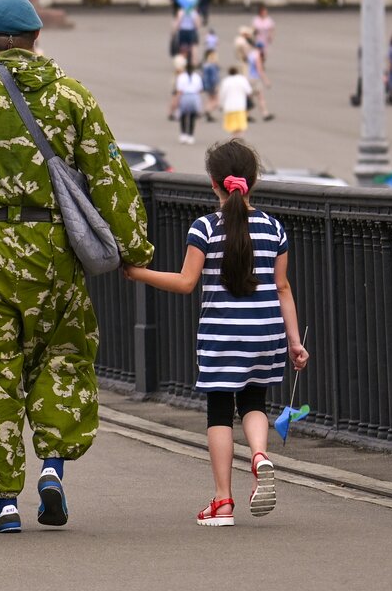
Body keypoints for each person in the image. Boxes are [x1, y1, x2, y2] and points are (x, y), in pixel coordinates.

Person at [0, 0, 154, 533]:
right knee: (63, 354)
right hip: (52, 251)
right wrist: (133, 250)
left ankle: (3, 502)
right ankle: (53, 468)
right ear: (38, 38)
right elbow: (110, 176)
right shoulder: (72, 96)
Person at [123, 139, 308, 527]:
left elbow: (186, 281)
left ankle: (223, 502)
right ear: (253, 182)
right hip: (266, 333)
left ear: (213, 184)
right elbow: (283, 288)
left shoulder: (204, 227)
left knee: (220, 410)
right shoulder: (274, 228)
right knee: (255, 400)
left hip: (222, 335)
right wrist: (294, 341)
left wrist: (137, 272)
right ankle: (259, 455)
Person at [173, 60, 205, 145]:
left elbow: (179, 91)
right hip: (194, 96)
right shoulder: (197, 77)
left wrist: (176, 102)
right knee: (192, 116)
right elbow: (200, 90)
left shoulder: (181, 77)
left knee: (183, 116)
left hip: (185, 96)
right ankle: (190, 135)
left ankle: (183, 134)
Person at [218, 66, 252, 135]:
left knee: (232, 127)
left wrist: (221, 105)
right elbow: (249, 91)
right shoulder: (242, 79)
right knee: (240, 126)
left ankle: (234, 140)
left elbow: (221, 95)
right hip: (240, 106)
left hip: (229, 107)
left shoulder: (226, 81)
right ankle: (239, 139)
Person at [246, 42, 273, 121]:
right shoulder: (257, 56)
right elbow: (260, 69)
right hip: (255, 78)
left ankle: (247, 115)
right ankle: (265, 114)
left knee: (250, 97)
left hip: (249, 77)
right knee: (260, 97)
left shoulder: (251, 54)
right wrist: (266, 81)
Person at [201, 47, 221, 122]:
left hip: (207, 85)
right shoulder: (212, 66)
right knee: (216, 101)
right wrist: (215, 85)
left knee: (210, 99)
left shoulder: (205, 65)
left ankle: (208, 113)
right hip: (212, 85)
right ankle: (207, 111)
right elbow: (213, 77)